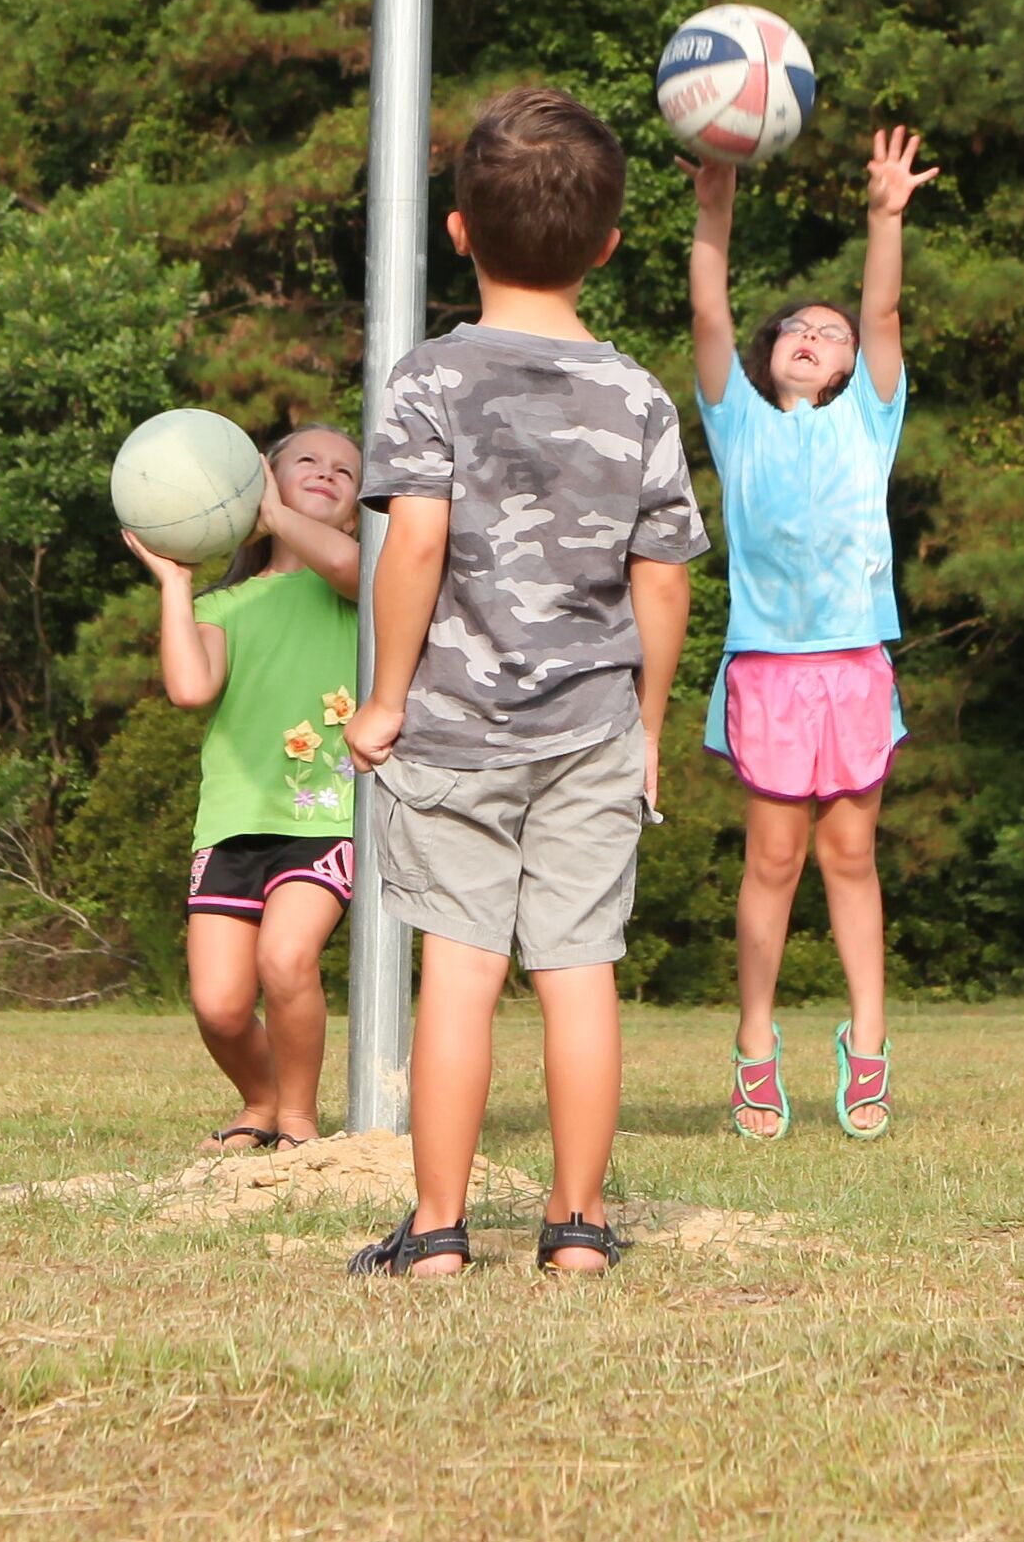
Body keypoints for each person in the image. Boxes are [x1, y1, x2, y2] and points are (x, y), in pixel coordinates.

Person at [340, 84, 706, 1280]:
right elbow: (662, 579)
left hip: (451, 730)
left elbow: (419, 544)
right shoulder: (639, 392)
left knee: (459, 968)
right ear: (606, 243)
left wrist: (388, 695)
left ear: (457, 232)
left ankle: (439, 1232)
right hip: (594, 726)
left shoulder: (430, 377)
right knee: (577, 969)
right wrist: (647, 724)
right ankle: (578, 1227)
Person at [685, 124, 929, 1143]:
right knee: (773, 860)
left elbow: (881, 306)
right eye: (797, 326)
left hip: (853, 663)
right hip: (769, 670)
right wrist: (715, 201)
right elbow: (708, 302)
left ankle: (866, 1040)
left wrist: (884, 217)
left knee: (851, 856)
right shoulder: (736, 417)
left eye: (828, 332)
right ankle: (754, 1042)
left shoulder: (868, 415)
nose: (814, 334)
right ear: (769, 353)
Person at [124, 425, 364, 1152]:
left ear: (356, 511)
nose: (326, 472)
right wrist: (176, 583)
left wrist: (272, 510)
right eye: (306, 462)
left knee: (286, 960)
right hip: (231, 822)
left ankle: (297, 1118)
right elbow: (190, 685)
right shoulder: (224, 606)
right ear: (260, 476)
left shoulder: (361, 584)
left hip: (327, 814)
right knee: (220, 1005)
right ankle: (259, 1099)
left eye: (345, 472)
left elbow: (359, 571)